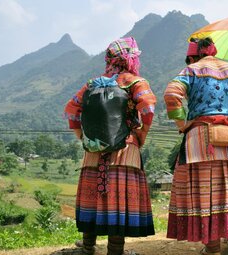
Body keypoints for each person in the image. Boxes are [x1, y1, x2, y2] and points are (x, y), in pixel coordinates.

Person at [164, 38, 228, 255]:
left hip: (202, 141)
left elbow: (171, 94)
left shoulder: (191, 71)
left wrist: (182, 124)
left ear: (193, 57)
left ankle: (212, 247)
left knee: (208, 192)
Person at [64, 37, 156, 255]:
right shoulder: (135, 82)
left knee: (92, 198)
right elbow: (148, 109)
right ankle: (116, 250)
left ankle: (88, 247)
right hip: (125, 150)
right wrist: (141, 134)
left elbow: (70, 110)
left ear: (109, 59)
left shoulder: (92, 84)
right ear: (132, 59)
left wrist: (83, 138)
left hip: (93, 152)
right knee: (119, 201)